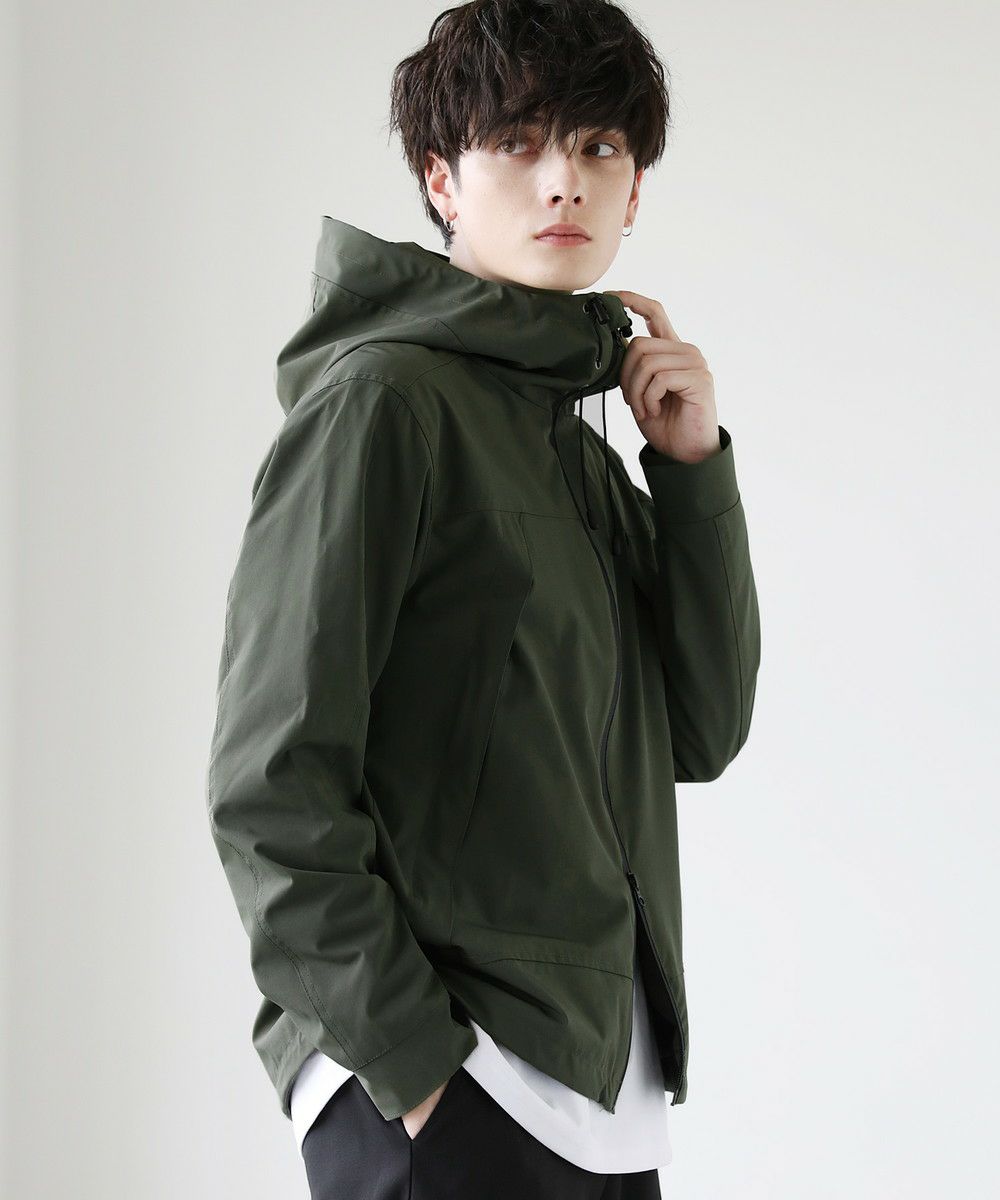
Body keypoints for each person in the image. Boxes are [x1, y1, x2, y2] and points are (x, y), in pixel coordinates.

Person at [205, 1, 761, 1196]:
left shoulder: (577, 452)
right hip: (454, 1076)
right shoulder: (383, 405)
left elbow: (702, 732)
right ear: (440, 179)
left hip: (597, 1087)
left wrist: (690, 472)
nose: (564, 179)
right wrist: (417, 1070)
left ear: (634, 189)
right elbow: (270, 787)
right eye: (517, 142)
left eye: (599, 146)